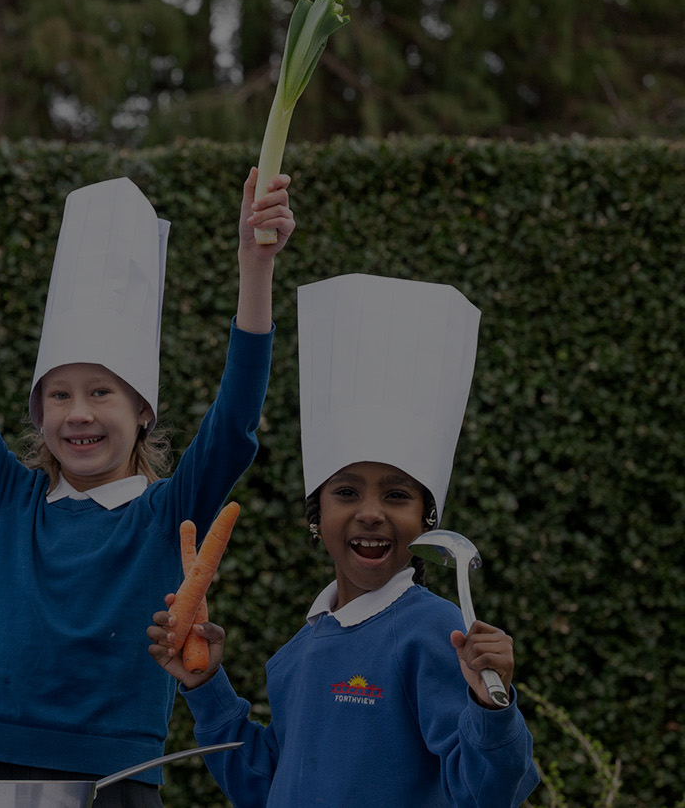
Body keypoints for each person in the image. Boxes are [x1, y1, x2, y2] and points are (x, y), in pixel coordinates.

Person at [0, 115, 293, 808]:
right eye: (60, 395)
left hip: (121, 782)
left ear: (142, 411)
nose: (78, 412)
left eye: (101, 392)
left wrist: (257, 268)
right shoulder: (9, 500)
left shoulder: (168, 512)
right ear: (39, 413)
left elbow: (234, 421)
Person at [145, 273, 539, 808]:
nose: (371, 513)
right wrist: (207, 683)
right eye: (347, 492)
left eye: (397, 495)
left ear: (427, 519)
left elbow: (487, 795)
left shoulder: (437, 633)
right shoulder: (298, 652)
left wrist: (492, 707)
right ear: (318, 515)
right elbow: (265, 788)